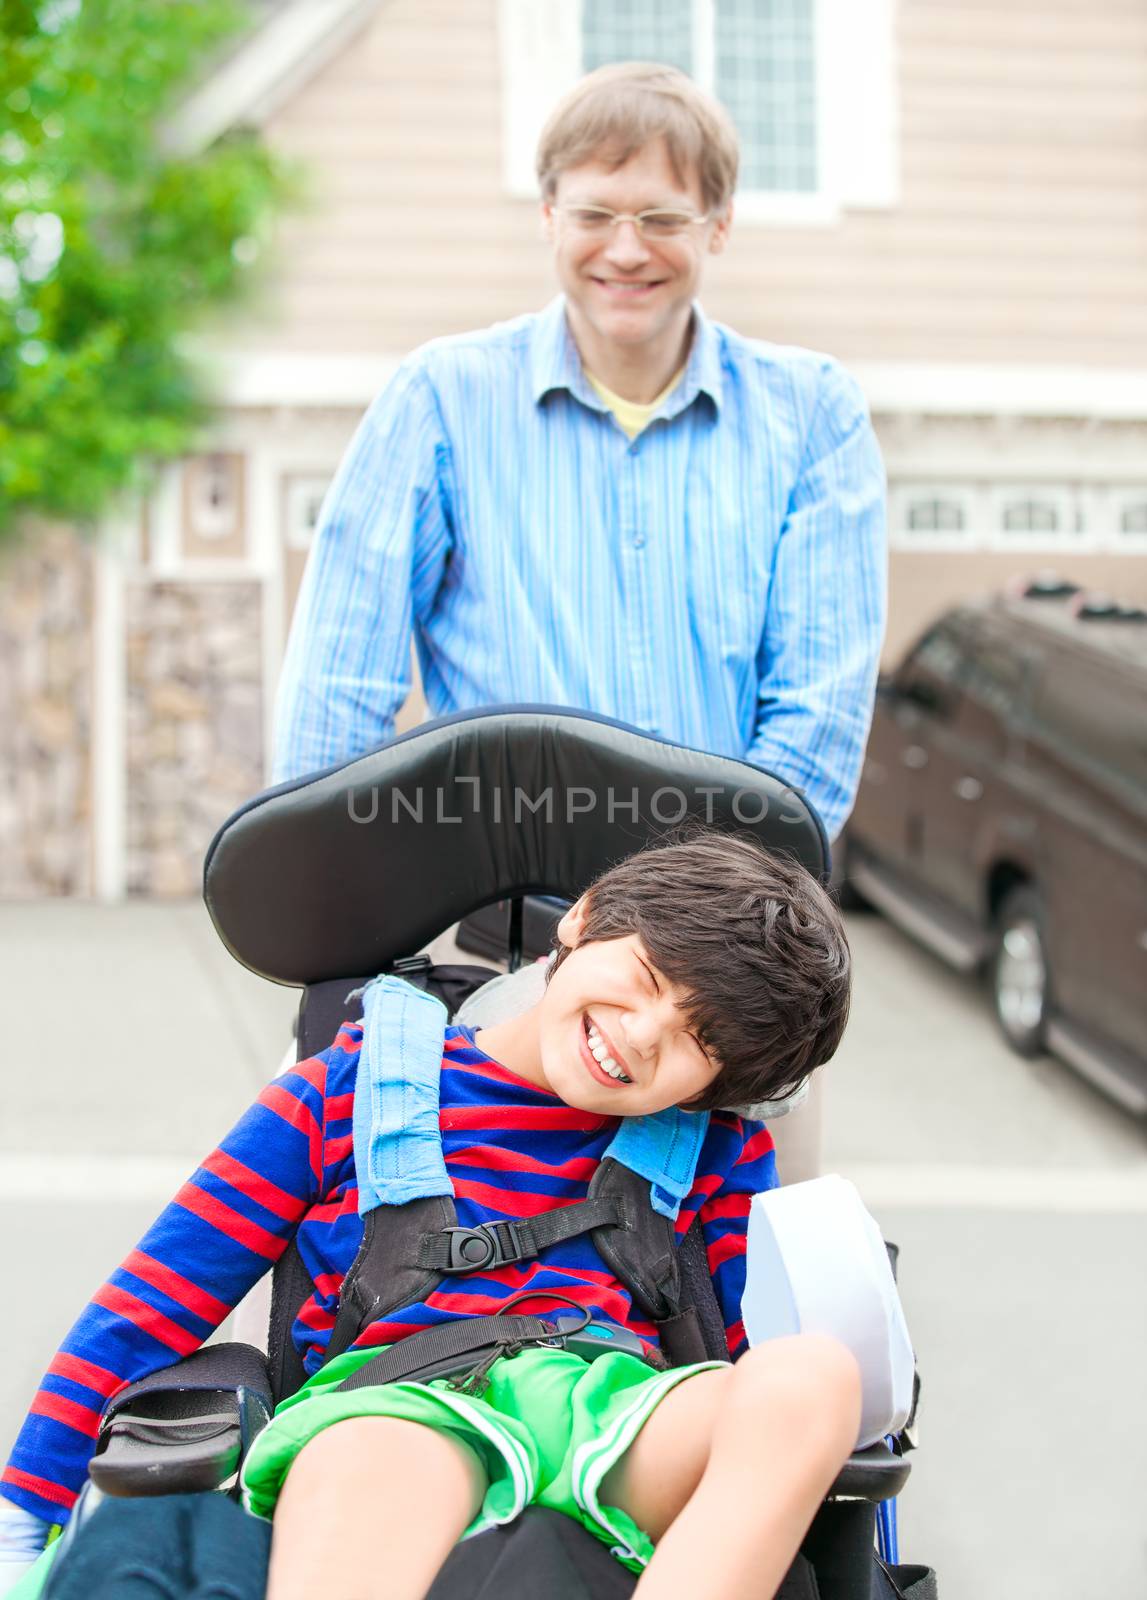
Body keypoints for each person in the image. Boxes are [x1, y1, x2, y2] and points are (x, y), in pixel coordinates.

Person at [2, 834, 859, 1600]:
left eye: (696, 1045)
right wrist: (22, 1517)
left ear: (715, 1090)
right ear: (586, 921)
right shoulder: (339, 1092)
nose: (640, 1036)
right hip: (403, 1403)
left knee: (814, 1379)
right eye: (644, 982)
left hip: (608, 1408)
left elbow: (747, 1350)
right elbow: (151, 1305)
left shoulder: (714, 1152)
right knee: (385, 1454)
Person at [271, 62, 887, 848]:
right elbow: (341, 684)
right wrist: (328, 901)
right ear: (550, 216)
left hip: (725, 922)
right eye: (595, 213)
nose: (626, 251)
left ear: (718, 225)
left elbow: (817, 715)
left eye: (662, 219)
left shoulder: (813, 416)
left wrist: (691, 914)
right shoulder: (441, 401)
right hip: (498, 916)